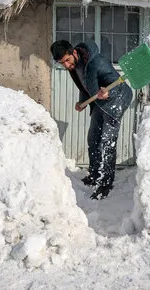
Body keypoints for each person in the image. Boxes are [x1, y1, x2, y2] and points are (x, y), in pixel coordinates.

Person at [50, 39, 132, 200]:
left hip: (117, 99)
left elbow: (116, 85)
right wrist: (82, 102)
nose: (66, 65)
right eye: (62, 63)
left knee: (107, 142)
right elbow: (85, 85)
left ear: (74, 52)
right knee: (93, 138)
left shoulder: (97, 62)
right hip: (99, 102)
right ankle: (94, 174)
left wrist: (109, 93)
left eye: (67, 60)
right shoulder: (76, 65)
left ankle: (106, 183)